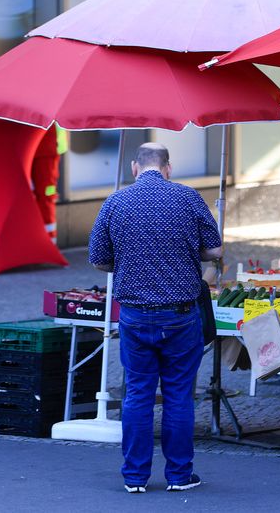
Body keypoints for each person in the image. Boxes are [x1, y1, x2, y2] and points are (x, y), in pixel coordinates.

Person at [88, 142, 222, 494]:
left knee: (137, 395)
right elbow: (216, 250)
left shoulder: (115, 202)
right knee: (178, 395)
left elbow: (99, 259)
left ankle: (134, 477)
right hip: (181, 315)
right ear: (168, 167)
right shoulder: (188, 197)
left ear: (135, 168)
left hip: (135, 315)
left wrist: (131, 260)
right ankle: (179, 476)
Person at [30, 126, 67, 243]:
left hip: (48, 147)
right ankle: (44, 241)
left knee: (46, 196)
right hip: (31, 145)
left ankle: (49, 242)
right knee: (30, 196)